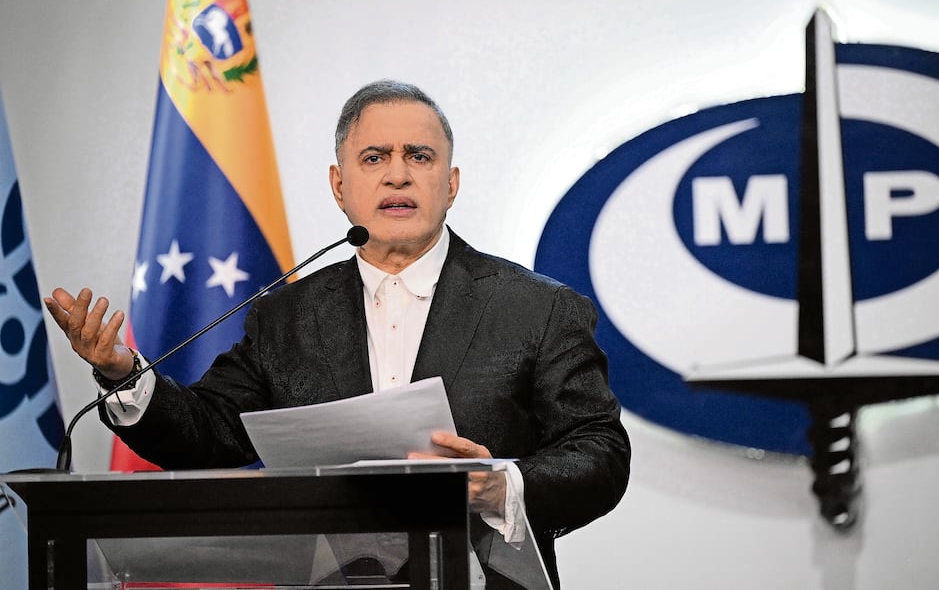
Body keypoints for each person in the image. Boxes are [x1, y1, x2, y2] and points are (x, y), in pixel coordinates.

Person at [44, 79, 630, 588]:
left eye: (419, 157)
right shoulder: (286, 315)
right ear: (338, 184)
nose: (397, 174)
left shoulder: (539, 309)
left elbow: (600, 453)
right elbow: (211, 432)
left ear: (451, 184)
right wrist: (124, 372)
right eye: (374, 157)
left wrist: (500, 485)